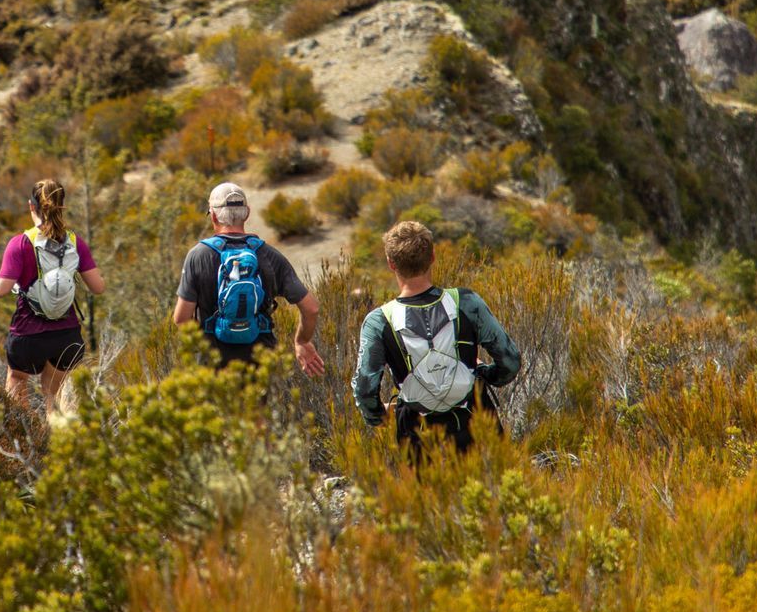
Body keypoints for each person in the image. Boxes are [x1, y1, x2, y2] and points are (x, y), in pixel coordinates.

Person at [351, 220, 520, 461]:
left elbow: (364, 388)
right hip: (476, 420)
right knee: (491, 482)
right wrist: (484, 373)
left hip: (417, 434)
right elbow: (510, 362)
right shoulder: (467, 302)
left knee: (427, 487)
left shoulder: (378, 321)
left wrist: (377, 416)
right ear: (432, 256)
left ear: (391, 264)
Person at [0, 178, 105, 413]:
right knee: (53, 396)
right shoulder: (75, 242)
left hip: (28, 335)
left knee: (17, 380)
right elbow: (98, 287)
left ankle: (24, 433)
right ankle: (57, 434)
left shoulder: (20, 243)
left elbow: (2, 288)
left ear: (31, 206)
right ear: (61, 205)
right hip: (67, 335)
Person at [172, 181, 325, 376]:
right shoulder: (270, 255)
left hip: (213, 370)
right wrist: (302, 341)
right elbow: (311, 308)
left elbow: (181, 318)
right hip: (261, 365)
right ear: (247, 213)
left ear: (213, 215)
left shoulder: (198, 256)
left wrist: (205, 348)